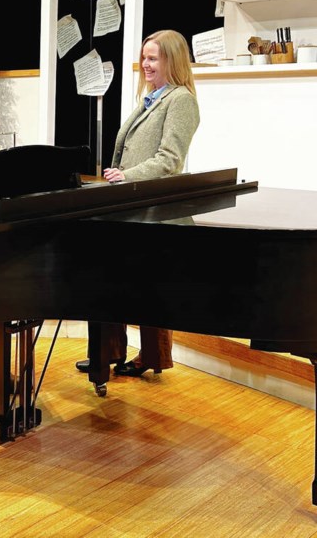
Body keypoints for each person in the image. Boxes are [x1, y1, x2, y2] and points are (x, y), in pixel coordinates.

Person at [75, 29, 200, 397]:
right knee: (117, 282)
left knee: (148, 290)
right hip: (129, 207)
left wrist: (127, 176)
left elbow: (169, 160)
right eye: (144, 57)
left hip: (154, 210)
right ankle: (111, 352)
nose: (145, 64)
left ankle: (149, 356)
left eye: (153, 58)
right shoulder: (150, 99)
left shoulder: (181, 100)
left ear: (172, 61)